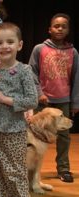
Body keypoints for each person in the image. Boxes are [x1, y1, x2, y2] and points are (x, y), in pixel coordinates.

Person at [0, 22, 38, 197]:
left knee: (15, 172)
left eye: (10, 41)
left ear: (20, 45)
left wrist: (4, 98)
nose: (5, 46)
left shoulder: (24, 70)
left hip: (14, 131)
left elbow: (31, 101)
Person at [28, 13, 79, 183]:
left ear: (68, 30)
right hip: (42, 100)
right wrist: (38, 93)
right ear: (49, 29)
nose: (60, 29)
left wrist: (75, 101)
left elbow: (76, 78)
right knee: (35, 135)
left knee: (64, 136)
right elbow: (32, 73)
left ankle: (63, 169)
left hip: (63, 100)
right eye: (56, 26)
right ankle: (32, 171)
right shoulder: (39, 49)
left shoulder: (73, 52)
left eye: (64, 26)